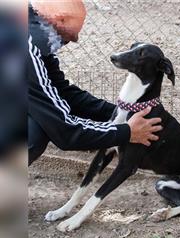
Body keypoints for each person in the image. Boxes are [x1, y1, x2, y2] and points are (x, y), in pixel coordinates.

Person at [28, 0, 162, 165]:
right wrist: (126, 131)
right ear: (59, 19)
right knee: (33, 134)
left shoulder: (29, 29)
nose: (63, 45)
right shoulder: (26, 50)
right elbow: (63, 130)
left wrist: (121, 114)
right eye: (66, 39)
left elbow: (62, 92)